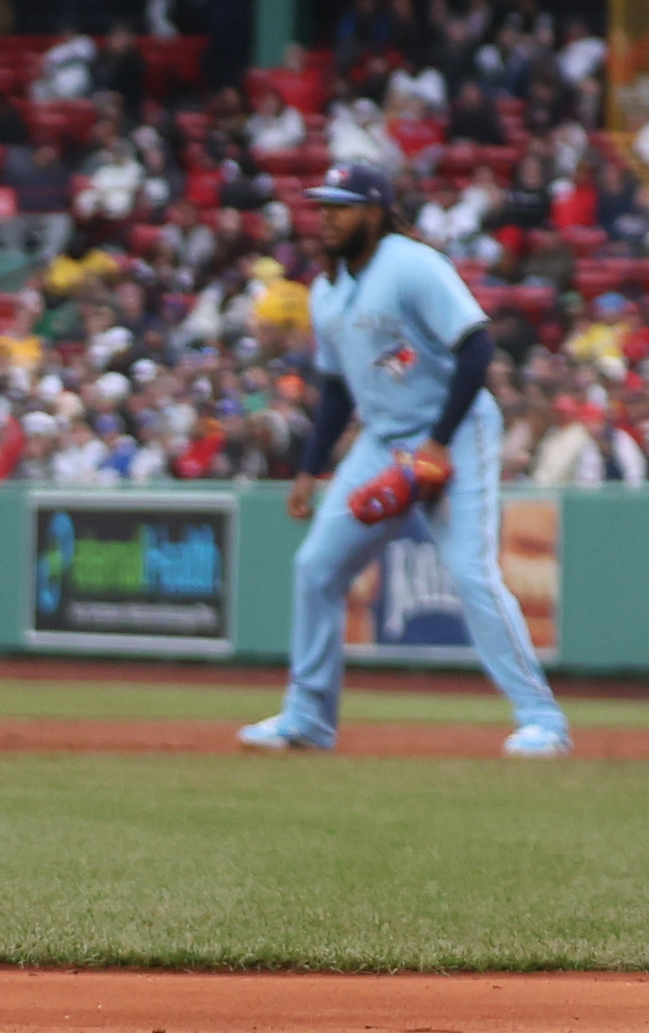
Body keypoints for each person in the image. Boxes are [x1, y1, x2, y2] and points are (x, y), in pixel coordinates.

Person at [239, 163, 572, 757]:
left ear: (374, 210)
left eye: (340, 206)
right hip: (382, 441)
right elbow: (339, 390)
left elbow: (476, 348)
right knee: (316, 568)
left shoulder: (410, 263)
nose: (326, 218)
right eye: (322, 207)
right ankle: (308, 719)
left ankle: (541, 718)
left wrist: (439, 442)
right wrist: (310, 470)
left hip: (456, 430)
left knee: (472, 574)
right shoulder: (326, 290)